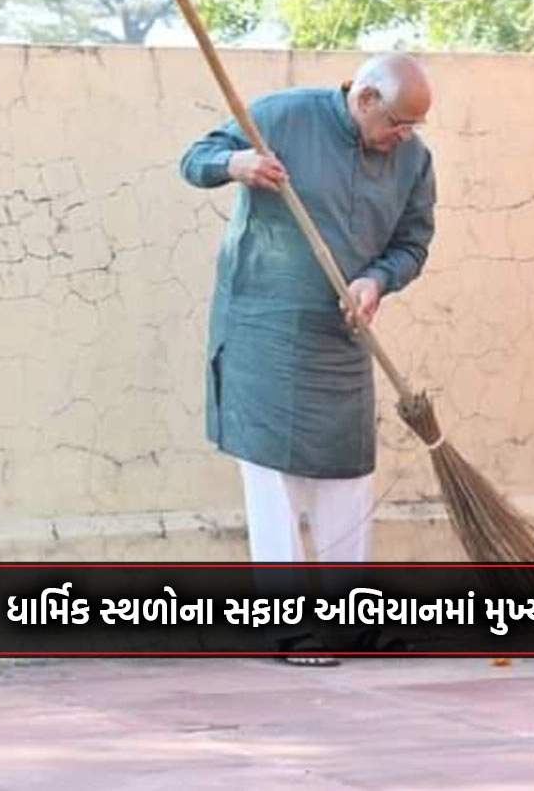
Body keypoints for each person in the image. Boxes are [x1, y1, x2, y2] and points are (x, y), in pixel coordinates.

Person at [179, 54, 437, 664]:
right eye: (398, 122)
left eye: (414, 128)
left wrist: (376, 281)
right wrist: (237, 164)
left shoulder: (413, 160)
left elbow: (412, 242)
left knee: (347, 477)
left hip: (341, 339)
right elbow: (194, 160)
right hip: (261, 331)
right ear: (366, 96)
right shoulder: (281, 116)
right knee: (273, 482)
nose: (403, 136)